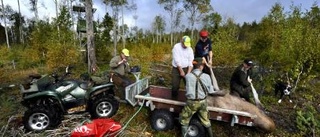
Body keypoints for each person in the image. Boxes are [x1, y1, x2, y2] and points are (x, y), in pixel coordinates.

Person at [180, 58, 214, 137]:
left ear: (193, 66)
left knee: (184, 120)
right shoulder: (207, 76)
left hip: (191, 103)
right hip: (203, 102)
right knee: (206, 120)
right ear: (201, 66)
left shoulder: (188, 76)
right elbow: (211, 91)